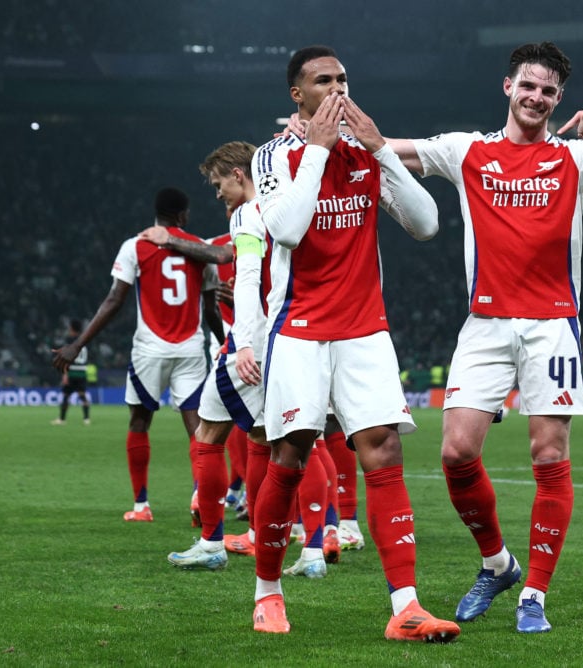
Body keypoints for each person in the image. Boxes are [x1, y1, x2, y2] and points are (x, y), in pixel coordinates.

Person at [386, 42, 583, 633]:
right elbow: (392, 151)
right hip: (484, 324)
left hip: (552, 325)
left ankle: (533, 593)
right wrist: (336, 130)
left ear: (559, 100)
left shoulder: (576, 157)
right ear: (507, 87)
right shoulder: (467, 150)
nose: (537, 98)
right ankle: (498, 563)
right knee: (457, 452)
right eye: (528, 86)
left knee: (548, 455)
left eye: (549, 92)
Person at [249, 45, 459, 642]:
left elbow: (425, 224)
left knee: (384, 454)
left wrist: (381, 150)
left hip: (366, 329)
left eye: (343, 79)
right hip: (299, 331)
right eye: (323, 81)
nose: (338, 90)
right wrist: (317, 150)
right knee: (288, 458)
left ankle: (407, 606)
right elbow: (286, 228)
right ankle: (267, 593)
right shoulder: (275, 155)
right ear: (298, 94)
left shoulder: (366, 158)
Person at [52, 187, 222, 522]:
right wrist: (226, 344)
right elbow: (211, 309)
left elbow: (114, 300)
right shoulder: (200, 249)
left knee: (140, 421)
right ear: (183, 215)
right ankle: (200, 494)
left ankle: (142, 506)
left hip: (150, 349)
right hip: (190, 347)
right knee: (198, 427)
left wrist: (78, 344)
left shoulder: (135, 246)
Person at [155, 141, 274, 570]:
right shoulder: (286, 208)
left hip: (247, 345)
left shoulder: (248, 213)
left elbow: (244, 278)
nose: (218, 193)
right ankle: (265, 534)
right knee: (263, 440)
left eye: (219, 182)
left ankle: (211, 544)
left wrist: (240, 341)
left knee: (207, 438)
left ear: (239, 175)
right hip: (281, 338)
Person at [51, 319, 91, 425]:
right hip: (82, 371)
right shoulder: (84, 340)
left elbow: (67, 357)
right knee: (82, 395)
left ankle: (62, 419)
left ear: (72, 328)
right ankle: (86, 419)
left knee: (66, 395)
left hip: (72, 371)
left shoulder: (70, 340)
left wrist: (65, 374)